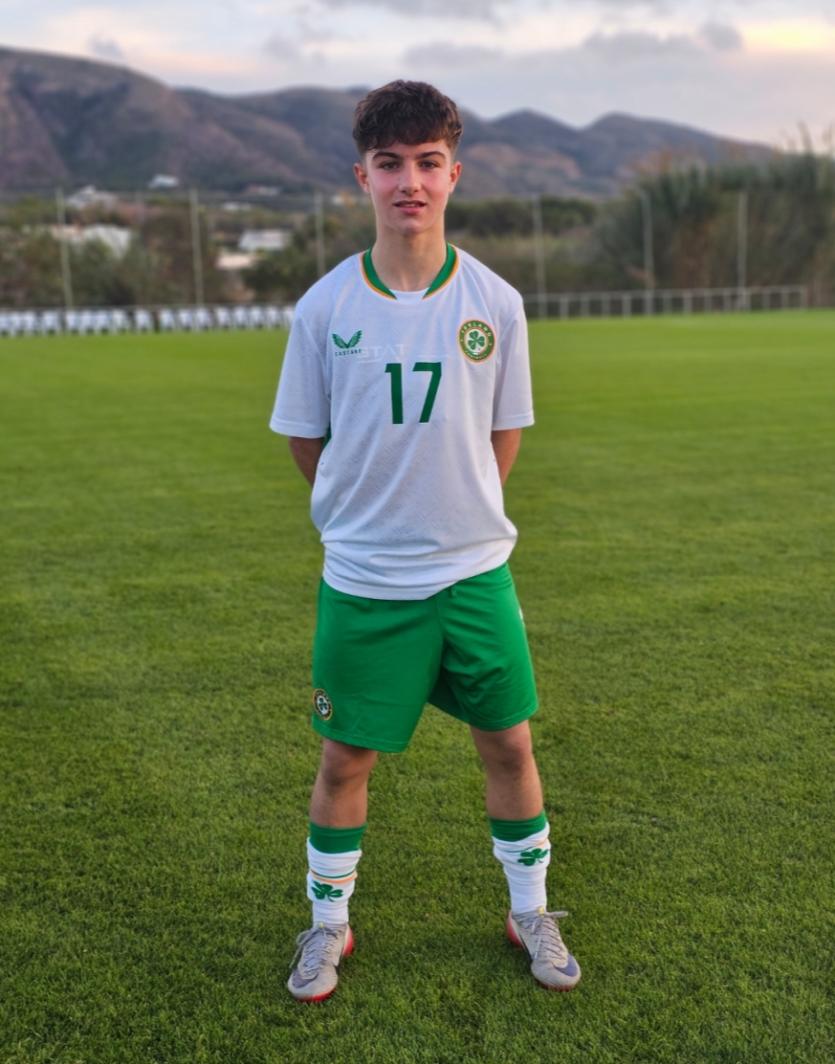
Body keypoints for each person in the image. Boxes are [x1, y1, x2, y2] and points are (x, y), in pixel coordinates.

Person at [269, 79, 580, 1002]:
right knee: (343, 760)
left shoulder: (495, 301)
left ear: (455, 175)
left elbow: (503, 435)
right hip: (365, 578)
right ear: (359, 176)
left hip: (473, 576)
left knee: (510, 747)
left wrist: (456, 515)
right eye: (391, 164)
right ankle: (328, 927)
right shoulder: (324, 309)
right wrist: (368, 514)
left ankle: (529, 910)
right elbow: (306, 442)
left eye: (429, 163)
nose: (411, 181)